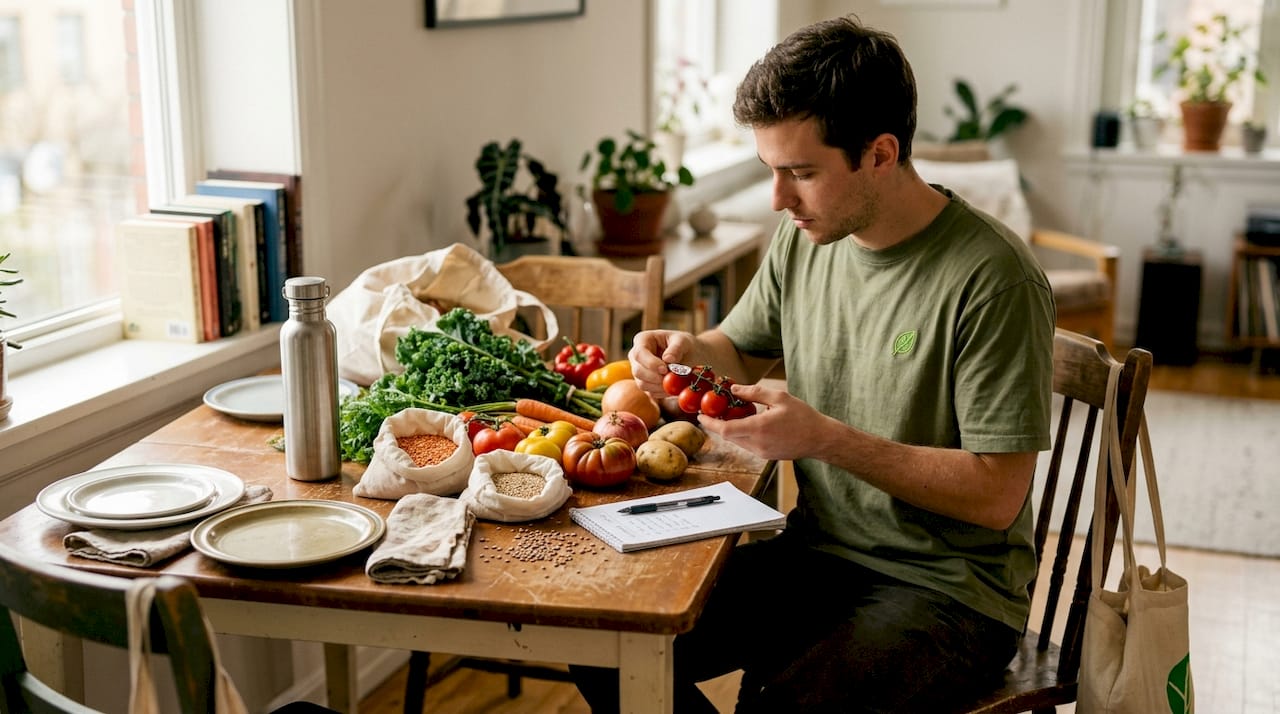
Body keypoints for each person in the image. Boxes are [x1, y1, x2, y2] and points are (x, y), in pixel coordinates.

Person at [572, 14, 1056, 714]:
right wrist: (681, 351)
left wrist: (824, 438)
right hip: (820, 556)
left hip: (950, 590)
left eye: (801, 173)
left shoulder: (994, 279)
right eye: (773, 171)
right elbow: (735, 347)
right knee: (606, 643)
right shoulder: (809, 236)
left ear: (881, 154)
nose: (779, 199)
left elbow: (995, 494)